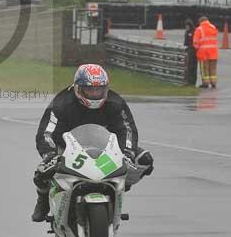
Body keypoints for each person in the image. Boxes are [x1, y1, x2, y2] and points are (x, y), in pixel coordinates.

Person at [32, 63, 154, 222]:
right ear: (78, 88)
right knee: (43, 170)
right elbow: (46, 132)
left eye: (99, 89)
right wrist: (50, 154)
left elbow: (127, 129)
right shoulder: (62, 103)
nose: (95, 94)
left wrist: (127, 153)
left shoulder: (115, 102)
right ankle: (43, 200)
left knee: (144, 160)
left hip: (105, 148)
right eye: (90, 89)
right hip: (67, 148)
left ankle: (119, 188)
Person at [193, 16, 219, 88]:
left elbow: (195, 42)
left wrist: (196, 49)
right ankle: (213, 83)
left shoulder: (199, 29)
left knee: (204, 69)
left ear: (200, 21)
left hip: (203, 53)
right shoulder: (213, 27)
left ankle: (205, 83)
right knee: (213, 68)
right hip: (213, 52)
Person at [184, 18, 198, 86]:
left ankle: (192, 81)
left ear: (190, 25)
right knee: (189, 66)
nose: (186, 27)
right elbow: (185, 42)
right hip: (189, 50)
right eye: (186, 26)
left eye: (187, 26)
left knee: (193, 66)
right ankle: (188, 81)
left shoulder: (194, 31)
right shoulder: (187, 32)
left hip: (194, 51)